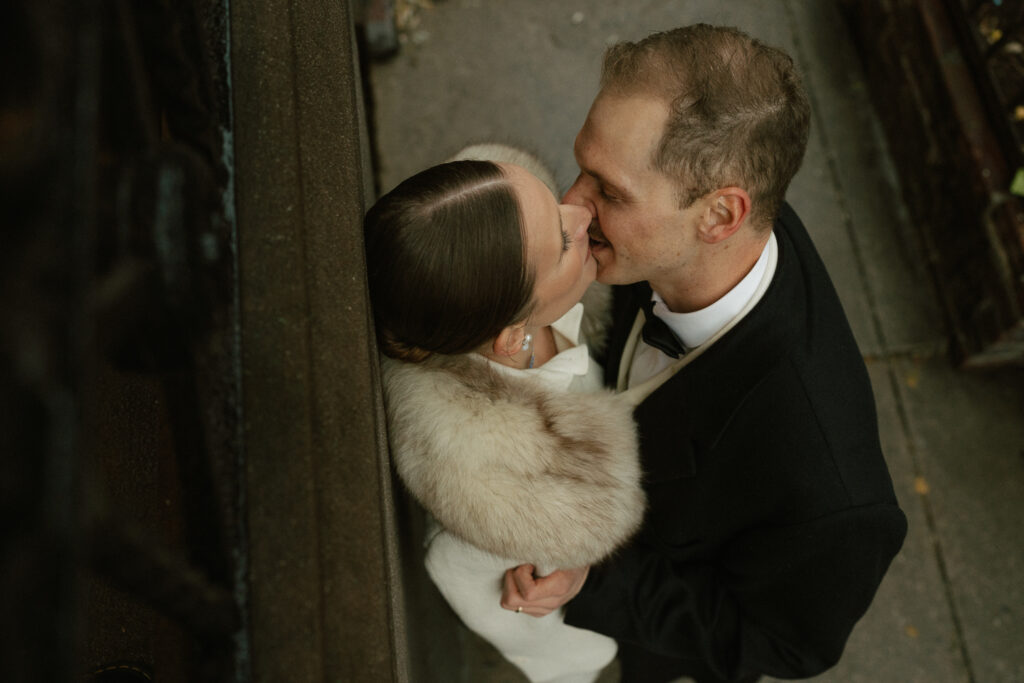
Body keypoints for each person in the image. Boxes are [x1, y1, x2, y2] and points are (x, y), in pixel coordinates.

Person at [500, 25, 908, 683]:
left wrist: (593, 578)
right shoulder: (690, 242)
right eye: (582, 167)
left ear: (720, 216)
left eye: (609, 190)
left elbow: (784, 644)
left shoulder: (831, 492)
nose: (571, 206)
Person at [364, 146, 646, 683]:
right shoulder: (497, 496)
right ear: (511, 336)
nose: (583, 212)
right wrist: (573, 568)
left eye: (549, 200)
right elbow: (517, 621)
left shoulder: (506, 291)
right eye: (563, 243)